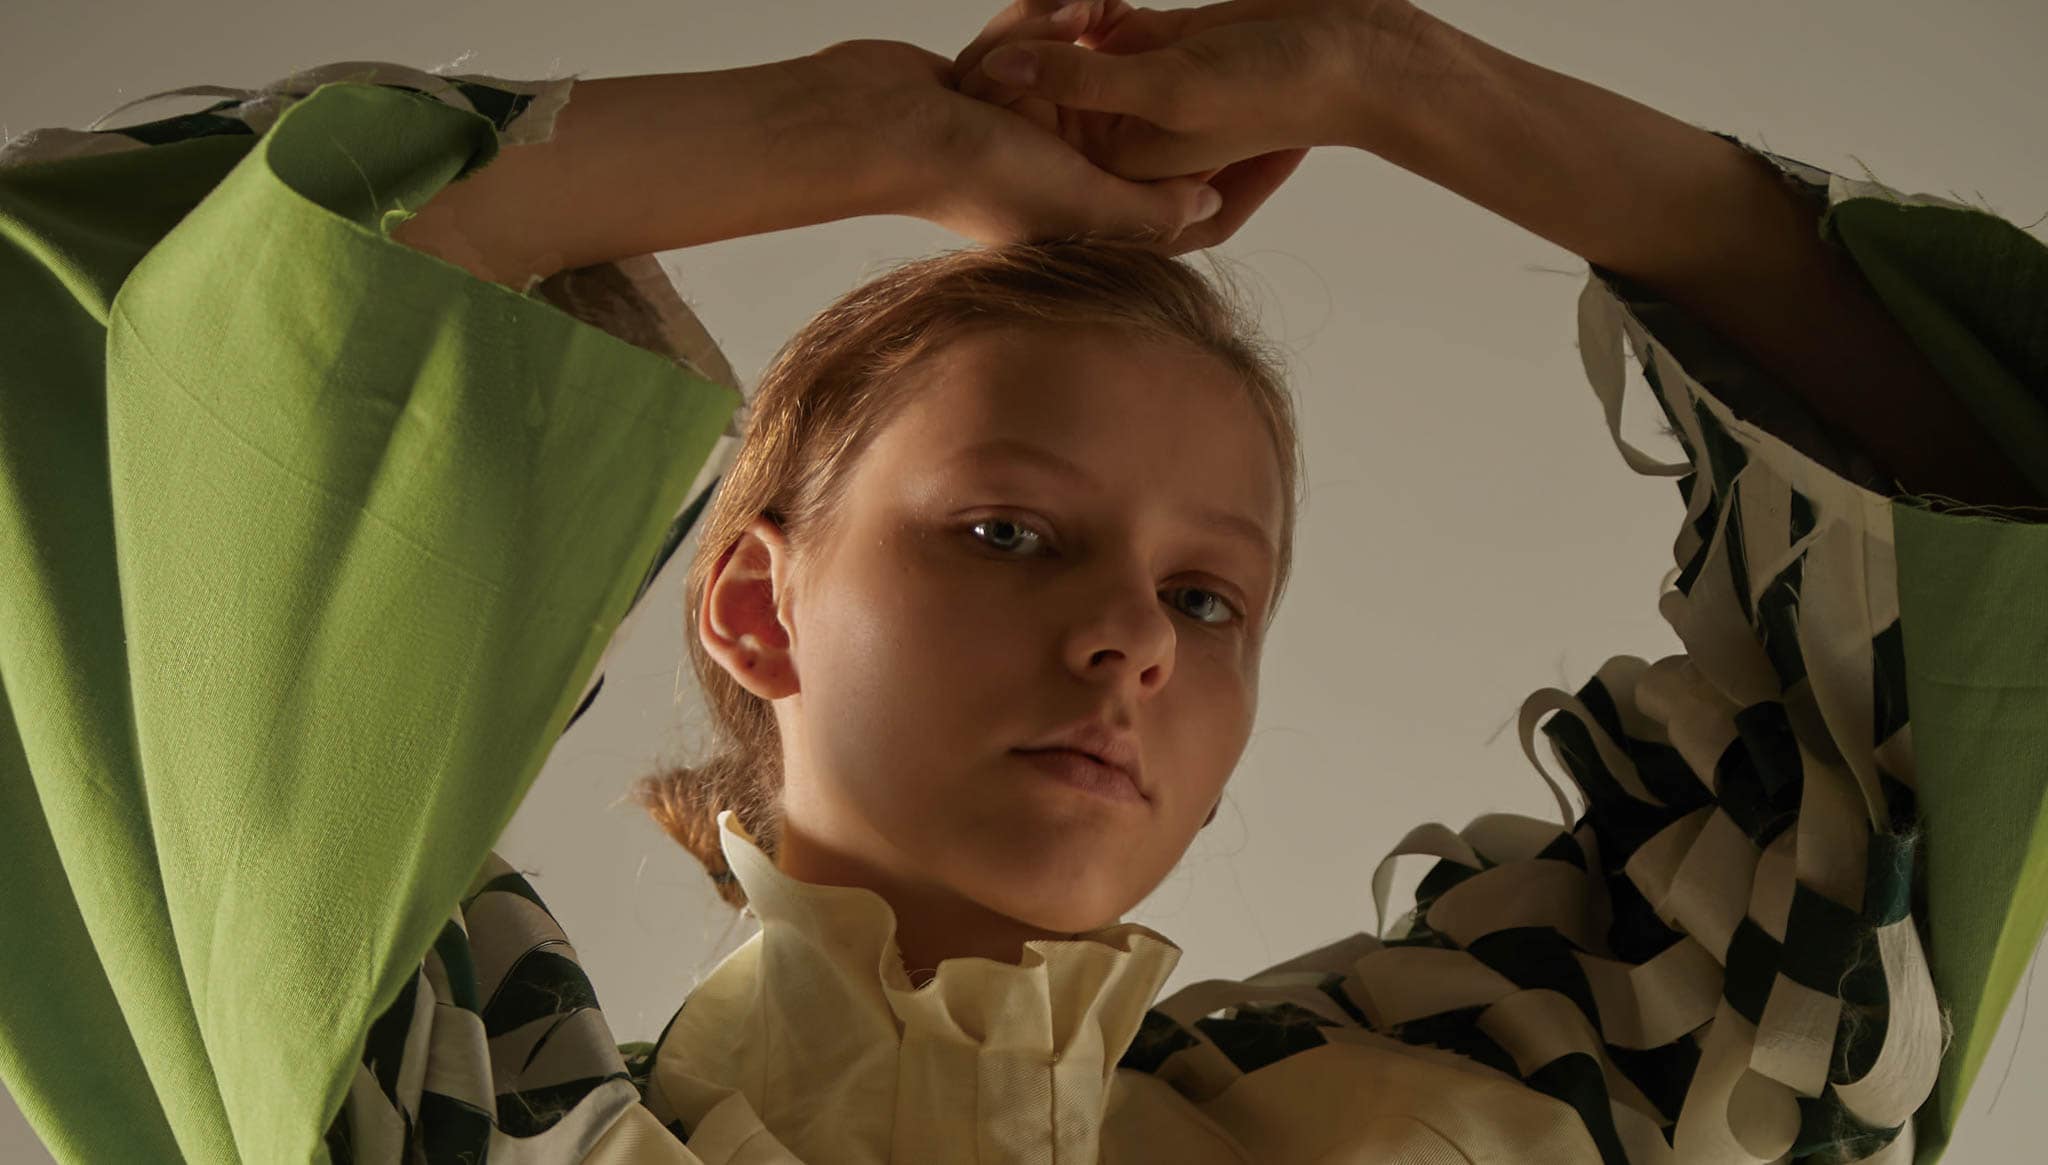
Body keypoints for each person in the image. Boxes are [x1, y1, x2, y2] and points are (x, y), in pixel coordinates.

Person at [3, 1, 2045, 1162]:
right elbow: (164, 368)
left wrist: (1398, 77)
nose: (1128, 637)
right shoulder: (463, 1104)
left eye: (1211, 598)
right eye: (1007, 529)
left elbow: (1957, 541)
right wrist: (845, 126)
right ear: (756, 609)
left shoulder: (1478, 1109)